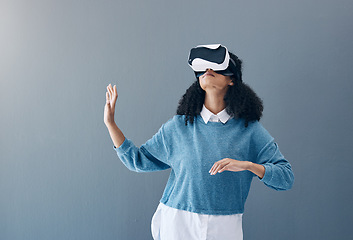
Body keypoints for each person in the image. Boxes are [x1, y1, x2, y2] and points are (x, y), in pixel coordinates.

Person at [104, 44, 295, 240]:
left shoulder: (250, 131)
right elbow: (138, 160)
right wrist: (111, 124)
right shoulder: (178, 127)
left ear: (231, 79)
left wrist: (248, 165)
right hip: (178, 222)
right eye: (203, 69)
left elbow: (286, 178)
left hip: (225, 225)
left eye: (215, 68)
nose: (208, 71)